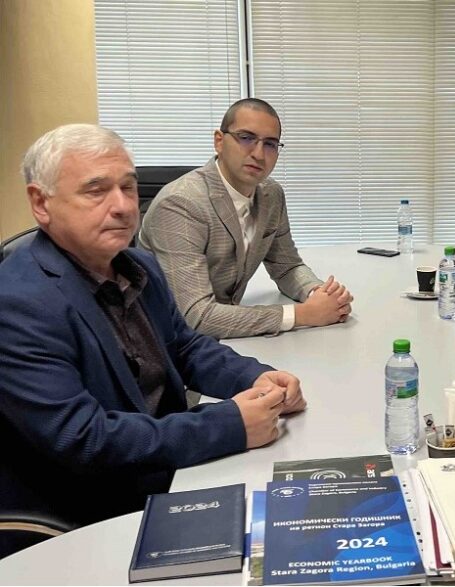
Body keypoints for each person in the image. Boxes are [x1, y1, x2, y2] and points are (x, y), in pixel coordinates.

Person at [0, 124, 307, 550]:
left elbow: (184, 346)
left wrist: (254, 377)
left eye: (128, 187)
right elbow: (84, 439)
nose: (124, 206)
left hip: (169, 463)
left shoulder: (137, 264)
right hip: (96, 509)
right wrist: (229, 425)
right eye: (96, 191)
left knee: (300, 514)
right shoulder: (17, 303)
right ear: (41, 203)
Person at [139, 98, 353, 339]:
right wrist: (302, 315)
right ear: (219, 141)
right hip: (169, 343)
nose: (259, 154)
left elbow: (287, 267)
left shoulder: (271, 194)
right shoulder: (180, 203)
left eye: (270, 144)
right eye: (246, 138)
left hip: (230, 336)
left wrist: (320, 295)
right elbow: (196, 317)